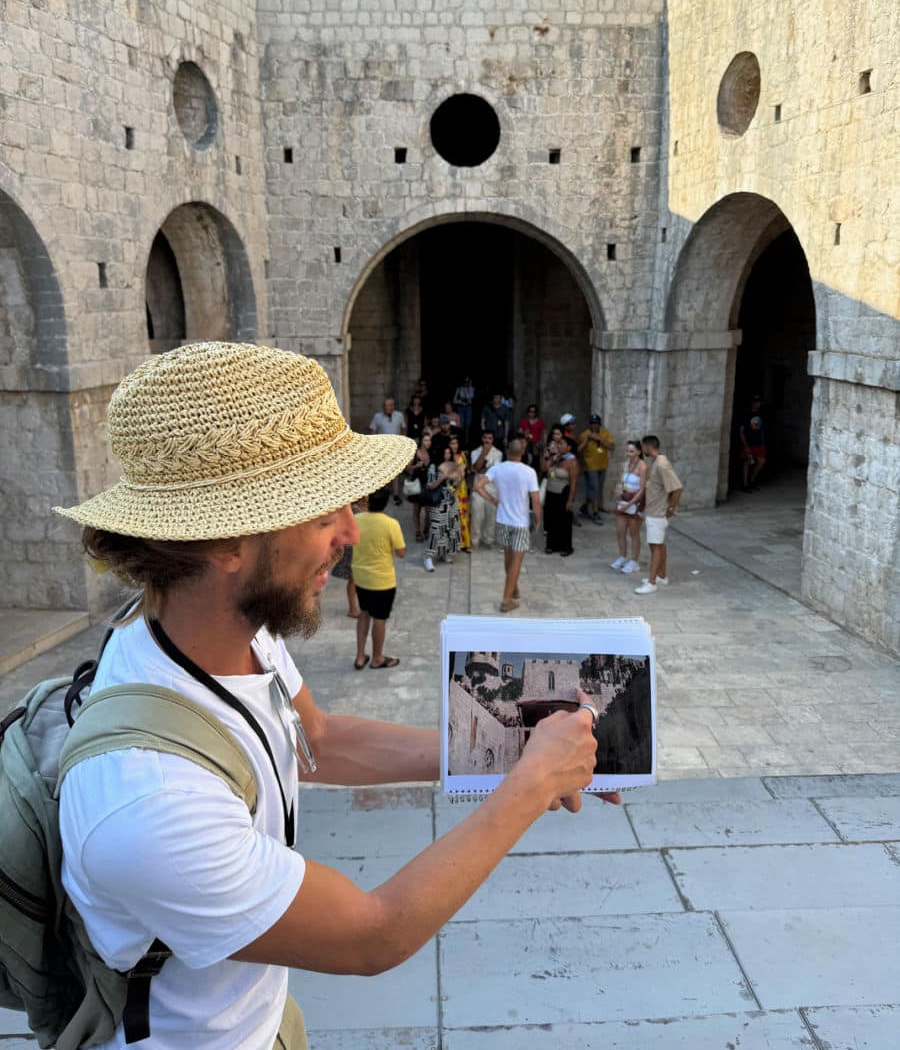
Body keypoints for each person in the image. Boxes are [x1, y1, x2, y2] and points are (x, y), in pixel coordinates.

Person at [53, 341, 615, 1050]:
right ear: (226, 542)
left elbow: (317, 742)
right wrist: (531, 786)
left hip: (261, 1024)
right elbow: (373, 934)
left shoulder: (215, 627)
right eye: (323, 515)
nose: (351, 533)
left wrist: (509, 749)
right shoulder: (147, 801)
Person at [474, 437, 541, 612]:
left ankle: (514, 588)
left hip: (503, 520)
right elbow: (535, 499)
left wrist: (493, 500)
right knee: (517, 561)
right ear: (522, 453)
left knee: (508, 558)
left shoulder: (498, 469)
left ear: (507, 452)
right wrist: (538, 519)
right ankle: (506, 600)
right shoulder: (529, 472)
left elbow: (478, 486)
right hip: (519, 522)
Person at [351, 487, 406, 670]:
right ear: (386, 503)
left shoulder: (357, 520)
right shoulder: (391, 524)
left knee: (364, 613)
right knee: (380, 618)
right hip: (382, 580)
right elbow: (401, 553)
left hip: (360, 576)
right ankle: (377, 658)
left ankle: (360, 656)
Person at [633, 434, 683, 595]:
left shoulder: (661, 464)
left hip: (657, 513)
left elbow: (677, 488)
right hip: (653, 512)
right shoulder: (657, 463)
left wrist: (671, 510)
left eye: (643, 447)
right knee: (658, 545)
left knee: (655, 547)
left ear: (648, 447)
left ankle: (652, 582)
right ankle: (661, 576)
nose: (642, 450)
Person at [423, 445, 463, 571]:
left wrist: (460, 478)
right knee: (436, 529)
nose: (447, 456)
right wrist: (442, 477)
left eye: (449, 453)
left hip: (451, 502)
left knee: (450, 528)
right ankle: (428, 557)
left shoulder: (452, 466)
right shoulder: (433, 467)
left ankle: (444, 553)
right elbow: (430, 485)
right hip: (438, 502)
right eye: (445, 453)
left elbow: (456, 487)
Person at [610, 440, 647, 574]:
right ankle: (622, 556)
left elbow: (642, 489)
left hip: (635, 501)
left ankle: (634, 561)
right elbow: (620, 482)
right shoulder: (624, 465)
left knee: (634, 533)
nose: (629, 454)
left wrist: (631, 504)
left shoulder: (642, 466)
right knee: (620, 531)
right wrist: (617, 492)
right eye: (627, 451)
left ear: (639, 452)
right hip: (623, 500)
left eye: (632, 451)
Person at [542, 432, 579, 557]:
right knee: (551, 519)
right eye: (558, 444)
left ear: (569, 447)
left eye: (562, 444)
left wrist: (570, 500)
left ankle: (566, 547)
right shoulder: (556, 457)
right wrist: (548, 457)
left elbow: (573, 482)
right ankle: (551, 545)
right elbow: (545, 469)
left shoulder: (572, 461)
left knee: (563, 520)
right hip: (551, 492)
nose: (558, 445)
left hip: (563, 493)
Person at [577, 413, 614, 524]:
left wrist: (600, 440)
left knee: (594, 490)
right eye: (592, 423)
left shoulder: (605, 433)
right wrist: (587, 439)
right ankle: (595, 513)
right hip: (590, 466)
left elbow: (612, 447)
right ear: (590, 424)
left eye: (596, 423)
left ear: (599, 424)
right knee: (595, 489)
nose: (594, 426)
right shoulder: (584, 434)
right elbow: (578, 450)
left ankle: (584, 508)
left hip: (602, 465)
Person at [369, 397, 407, 505]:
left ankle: (396, 495)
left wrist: (403, 442)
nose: (389, 407)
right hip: (382, 448)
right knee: (383, 471)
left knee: (395, 472)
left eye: (391, 405)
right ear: (383, 407)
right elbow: (372, 431)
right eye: (386, 405)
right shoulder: (377, 417)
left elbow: (403, 429)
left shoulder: (399, 416)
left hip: (396, 447)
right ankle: (383, 492)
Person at [469, 429, 503, 548]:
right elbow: (476, 468)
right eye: (485, 438)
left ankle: (489, 539)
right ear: (482, 439)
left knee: (491, 515)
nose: (487, 441)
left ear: (493, 440)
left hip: (492, 488)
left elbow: (493, 472)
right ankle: (475, 540)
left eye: (490, 438)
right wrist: (483, 453)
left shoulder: (498, 453)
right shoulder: (475, 452)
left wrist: (480, 469)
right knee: (476, 516)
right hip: (478, 488)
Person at [405, 430, 433, 542]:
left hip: (428, 484)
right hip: (417, 483)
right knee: (416, 509)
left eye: (429, 440)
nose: (428, 442)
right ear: (421, 441)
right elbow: (407, 468)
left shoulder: (432, 452)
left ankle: (426, 528)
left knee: (428, 510)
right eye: (426, 440)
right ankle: (418, 531)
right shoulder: (415, 453)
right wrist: (416, 466)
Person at [448, 433, 471, 552]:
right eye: (452, 443)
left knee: (462, 515)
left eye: (456, 443)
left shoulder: (462, 455)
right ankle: (454, 543)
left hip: (461, 488)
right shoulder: (446, 457)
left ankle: (465, 543)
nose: (454, 446)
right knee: (452, 516)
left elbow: (465, 472)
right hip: (450, 488)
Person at [739, 396, 766, 491]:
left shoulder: (760, 414)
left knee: (761, 461)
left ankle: (752, 480)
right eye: (755, 402)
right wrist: (745, 445)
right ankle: (745, 484)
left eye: (758, 402)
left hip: (758, 443)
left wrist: (763, 442)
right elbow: (741, 431)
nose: (757, 404)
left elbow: (761, 429)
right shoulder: (746, 414)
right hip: (749, 443)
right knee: (747, 463)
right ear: (752, 403)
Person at [517, 404, 546, 469]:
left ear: (536, 413)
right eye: (530, 411)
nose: (532, 413)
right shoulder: (523, 421)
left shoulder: (540, 421)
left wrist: (543, 443)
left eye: (533, 412)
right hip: (526, 443)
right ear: (528, 412)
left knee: (536, 459)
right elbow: (519, 432)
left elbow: (544, 433)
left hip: (536, 443)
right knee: (524, 457)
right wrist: (524, 433)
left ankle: (535, 471)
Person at [452, 376, 475, 440]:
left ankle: (466, 441)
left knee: (467, 426)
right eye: (465, 381)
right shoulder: (459, 389)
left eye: (468, 382)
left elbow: (471, 398)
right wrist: (460, 402)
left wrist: (469, 387)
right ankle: (460, 439)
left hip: (468, 407)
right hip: (461, 407)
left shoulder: (471, 389)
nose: (466, 383)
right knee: (460, 425)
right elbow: (454, 400)